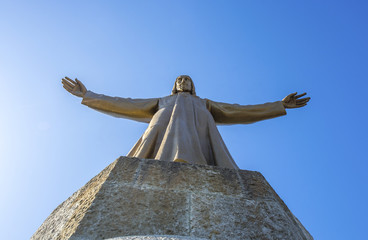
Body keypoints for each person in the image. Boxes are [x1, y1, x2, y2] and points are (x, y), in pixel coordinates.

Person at [62, 75, 310, 169]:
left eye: (188, 80)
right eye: (180, 80)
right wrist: (88, 95)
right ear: (174, 85)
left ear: (193, 86)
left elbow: (240, 111)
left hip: (200, 137)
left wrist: (279, 105)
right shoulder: (163, 102)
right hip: (161, 137)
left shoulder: (204, 103)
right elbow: (126, 104)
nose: (183, 82)